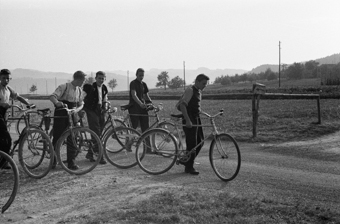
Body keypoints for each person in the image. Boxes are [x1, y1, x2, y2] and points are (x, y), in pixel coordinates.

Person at [49, 70, 86, 170]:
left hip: (72, 114)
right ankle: (53, 160)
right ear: (78, 79)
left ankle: (71, 162)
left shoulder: (79, 90)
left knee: (73, 138)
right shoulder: (64, 87)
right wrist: (57, 103)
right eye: (83, 80)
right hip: (61, 112)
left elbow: (81, 103)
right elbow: (52, 97)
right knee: (58, 137)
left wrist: (77, 109)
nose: (83, 83)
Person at [176, 74, 210, 175]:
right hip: (189, 119)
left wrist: (206, 114)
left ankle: (186, 161)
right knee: (192, 144)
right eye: (203, 83)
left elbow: (196, 107)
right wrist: (187, 120)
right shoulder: (190, 90)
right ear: (197, 82)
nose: (205, 86)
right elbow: (182, 105)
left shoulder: (199, 92)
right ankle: (189, 167)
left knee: (200, 142)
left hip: (196, 118)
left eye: (206, 84)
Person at [0, 69, 31, 169]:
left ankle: (3, 161)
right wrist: (2, 104)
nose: (6, 80)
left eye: (8, 78)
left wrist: (28, 104)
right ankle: (3, 162)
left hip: (3, 114)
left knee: (3, 139)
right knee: (7, 138)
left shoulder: (8, 89)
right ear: (0, 78)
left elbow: (18, 96)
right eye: (4, 78)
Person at [82, 71, 108, 164]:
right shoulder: (90, 88)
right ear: (95, 78)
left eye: (102, 78)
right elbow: (82, 98)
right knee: (96, 131)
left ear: (105, 79)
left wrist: (106, 106)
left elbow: (105, 99)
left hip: (100, 110)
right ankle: (99, 155)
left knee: (100, 132)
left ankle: (90, 153)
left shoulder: (104, 88)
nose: (101, 80)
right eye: (99, 78)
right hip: (91, 110)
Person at [128, 68, 153, 149]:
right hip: (134, 108)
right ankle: (128, 145)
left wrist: (150, 103)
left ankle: (148, 148)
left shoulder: (144, 84)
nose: (141, 77)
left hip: (143, 109)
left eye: (142, 75)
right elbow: (134, 95)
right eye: (140, 75)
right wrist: (140, 103)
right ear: (136, 75)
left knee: (146, 128)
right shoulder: (133, 83)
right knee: (133, 128)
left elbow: (146, 95)